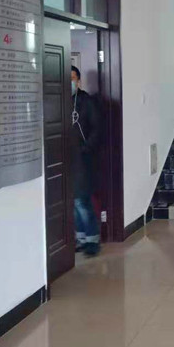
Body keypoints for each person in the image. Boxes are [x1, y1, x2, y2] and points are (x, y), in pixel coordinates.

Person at [70, 66, 101, 257]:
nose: (70, 82)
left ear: (79, 81)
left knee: (82, 200)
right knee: (73, 202)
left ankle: (92, 240)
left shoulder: (86, 101)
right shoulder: (60, 101)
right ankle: (80, 238)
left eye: (73, 78)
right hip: (67, 160)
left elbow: (97, 129)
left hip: (82, 160)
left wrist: (85, 149)